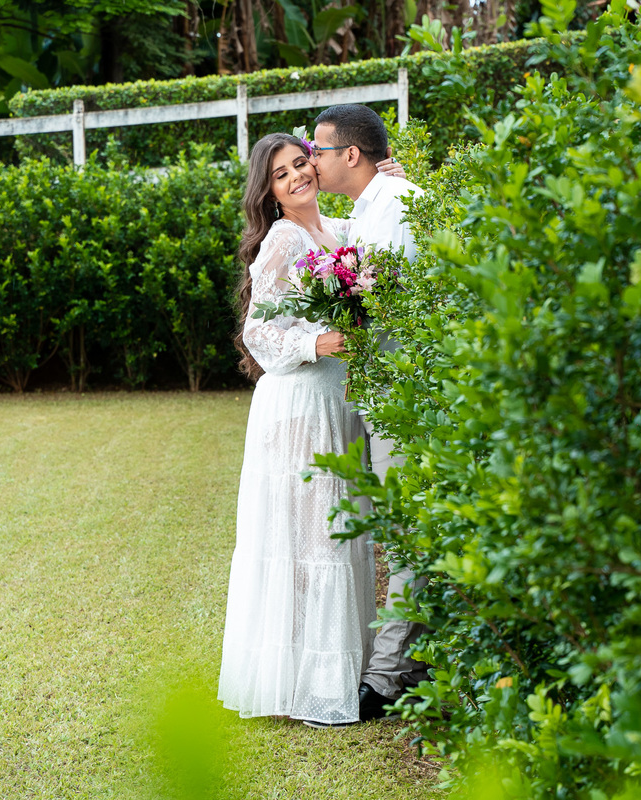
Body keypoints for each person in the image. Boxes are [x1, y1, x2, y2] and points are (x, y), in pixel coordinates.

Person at [217, 132, 405, 728]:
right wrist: (316, 342)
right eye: (281, 174)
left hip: (337, 401)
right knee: (308, 544)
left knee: (338, 537)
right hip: (299, 404)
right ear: (268, 191)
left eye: (301, 163)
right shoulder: (283, 238)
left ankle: (334, 672)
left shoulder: (340, 231)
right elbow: (258, 331)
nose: (297, 176)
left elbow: (378, 229)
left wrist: (391, 183)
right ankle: (303, 682)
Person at [309, 103, 428, 721]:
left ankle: (387, 677)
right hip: (379, 390)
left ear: (350, 154)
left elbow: (390, 307)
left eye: (318, 151)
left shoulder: (398, 206)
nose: (311, 160)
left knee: (406, 533)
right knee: (398, 531)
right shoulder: (368, 207)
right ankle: (413, 660)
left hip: (405, 393)